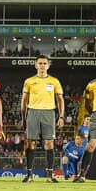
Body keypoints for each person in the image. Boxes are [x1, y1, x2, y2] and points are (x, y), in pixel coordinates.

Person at [20, 55, 64, 183]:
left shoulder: (54, 81)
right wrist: (23, 117)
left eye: (45, 63)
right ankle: (29, 174)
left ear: (48, 66)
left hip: (49, 112)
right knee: (30, 142)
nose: (42, 65)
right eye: (40, 63)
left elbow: (60, 100)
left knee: (49, 143)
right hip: (33, 112)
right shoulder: (29, 81)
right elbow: (24, 100)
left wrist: (61, 116)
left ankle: (50, 175)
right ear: (36, 65)